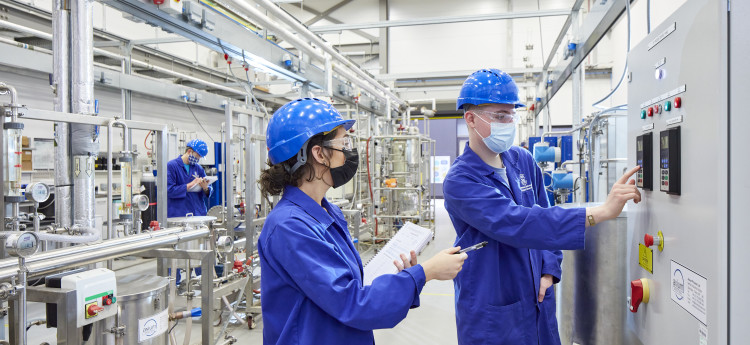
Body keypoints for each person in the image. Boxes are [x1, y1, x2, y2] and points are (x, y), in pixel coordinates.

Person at [443, 69, 641, 345]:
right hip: (493, 303)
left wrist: (549, 268)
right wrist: (600, 213)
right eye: (500, 116)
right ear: (471, 119)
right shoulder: (460, 180)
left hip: (537, 294)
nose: (508, 122)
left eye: (511, 114)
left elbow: (544, 213)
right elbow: (519, 223)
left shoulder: (521, 160)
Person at [257, 98, 468, 345]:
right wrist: (425, 273)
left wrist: (401, 277)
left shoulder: (327, 212)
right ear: (319, 153)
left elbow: (349, 286)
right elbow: (353, 305)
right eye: (343, 143)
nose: (348, 152)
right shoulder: (289, 227)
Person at [167, 138, 213, 217]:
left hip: (198, 213)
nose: (198, 159)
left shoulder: (198, 168)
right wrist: (190, 185)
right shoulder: (171, 166)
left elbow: (209, 189)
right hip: (179, 214)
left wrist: (205, 188)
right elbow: (169, 191)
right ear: (189, 152)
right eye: (198, 156)